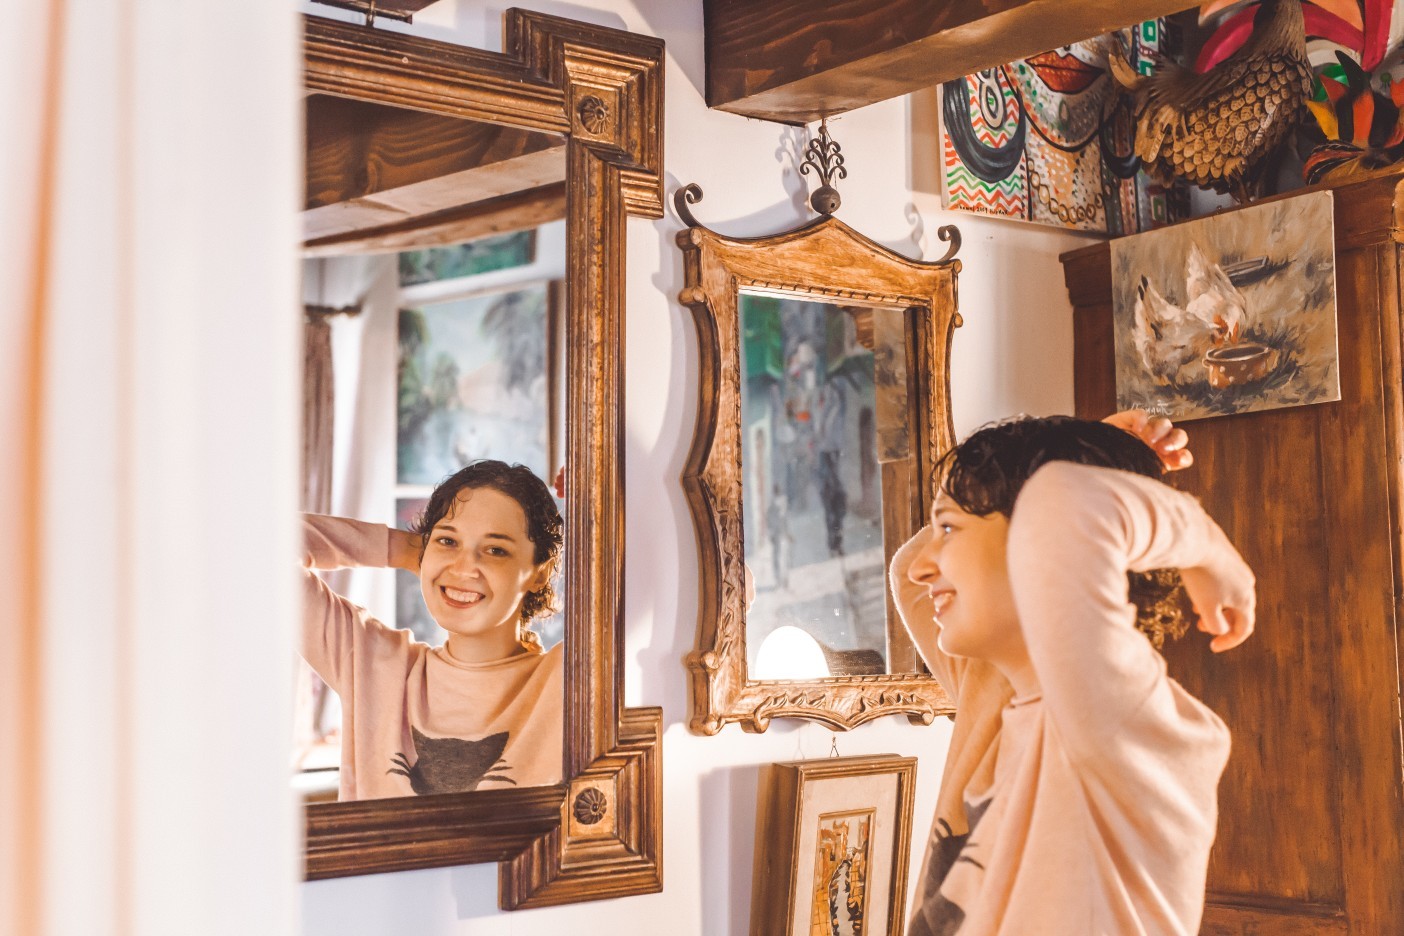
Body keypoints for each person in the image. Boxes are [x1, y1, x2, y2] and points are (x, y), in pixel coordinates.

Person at [892, 413, 1254, 935]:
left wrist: (1209, 546)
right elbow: (909, 577)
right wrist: (1075, 448)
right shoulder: (996, 696)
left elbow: (1064, 505)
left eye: (949, 528)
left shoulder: (1125, 725)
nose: (922, 565)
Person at [300, 460, 564, 800]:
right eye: (448, 542)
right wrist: (406, 550)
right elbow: (257, 546)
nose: (464, 567)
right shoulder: (371, 664)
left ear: (539, 573)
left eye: (496, 550)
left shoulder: (564, 681)